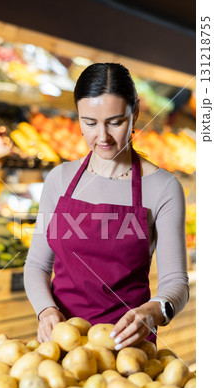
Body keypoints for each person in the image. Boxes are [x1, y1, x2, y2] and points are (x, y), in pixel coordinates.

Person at [24, 62, 189, 349]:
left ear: (135, 113)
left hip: (128, 349)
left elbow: (176, 283)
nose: (102, 137)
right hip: (64, 345)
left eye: (115, 122)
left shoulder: (163, 188)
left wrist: (153, 312)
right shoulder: (59, 179)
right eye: (89, 123)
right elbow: (37, 264)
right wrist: (46, 310)